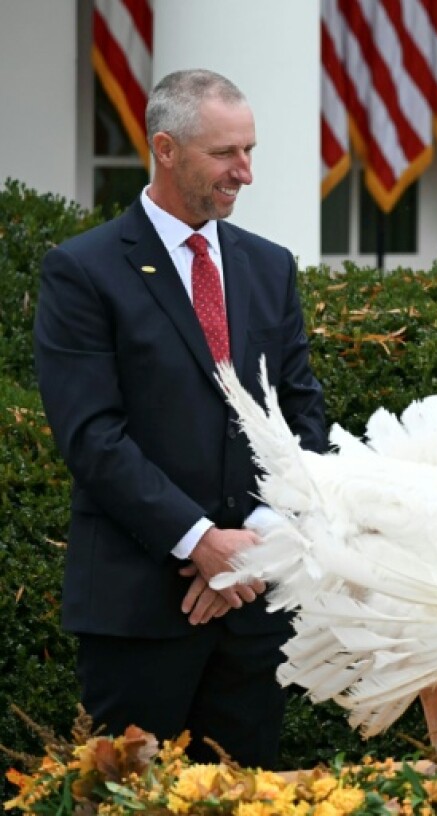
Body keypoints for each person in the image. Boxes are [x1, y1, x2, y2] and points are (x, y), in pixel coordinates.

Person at [34, 69, 327, 769]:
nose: (246, 172)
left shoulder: (269, 267)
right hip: (138, 611)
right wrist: (199, 542)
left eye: (250, 150)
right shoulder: (83, 271)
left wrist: (254, 543)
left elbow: (301, 417)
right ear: (165, 149)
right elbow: (92, 436)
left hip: (255, 606)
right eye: (226, 153)